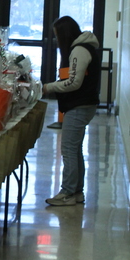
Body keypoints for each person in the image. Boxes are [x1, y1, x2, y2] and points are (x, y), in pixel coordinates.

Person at [42, 15, 101, 206]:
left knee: (68, 149)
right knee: (74, 150)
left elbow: (74, 83)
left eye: (57, 35)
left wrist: (49, 87)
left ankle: (67, 192)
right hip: (84, 104)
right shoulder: (86, 46)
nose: (57, 40)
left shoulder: (79, 50)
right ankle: (76, 192)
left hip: (79, 105)